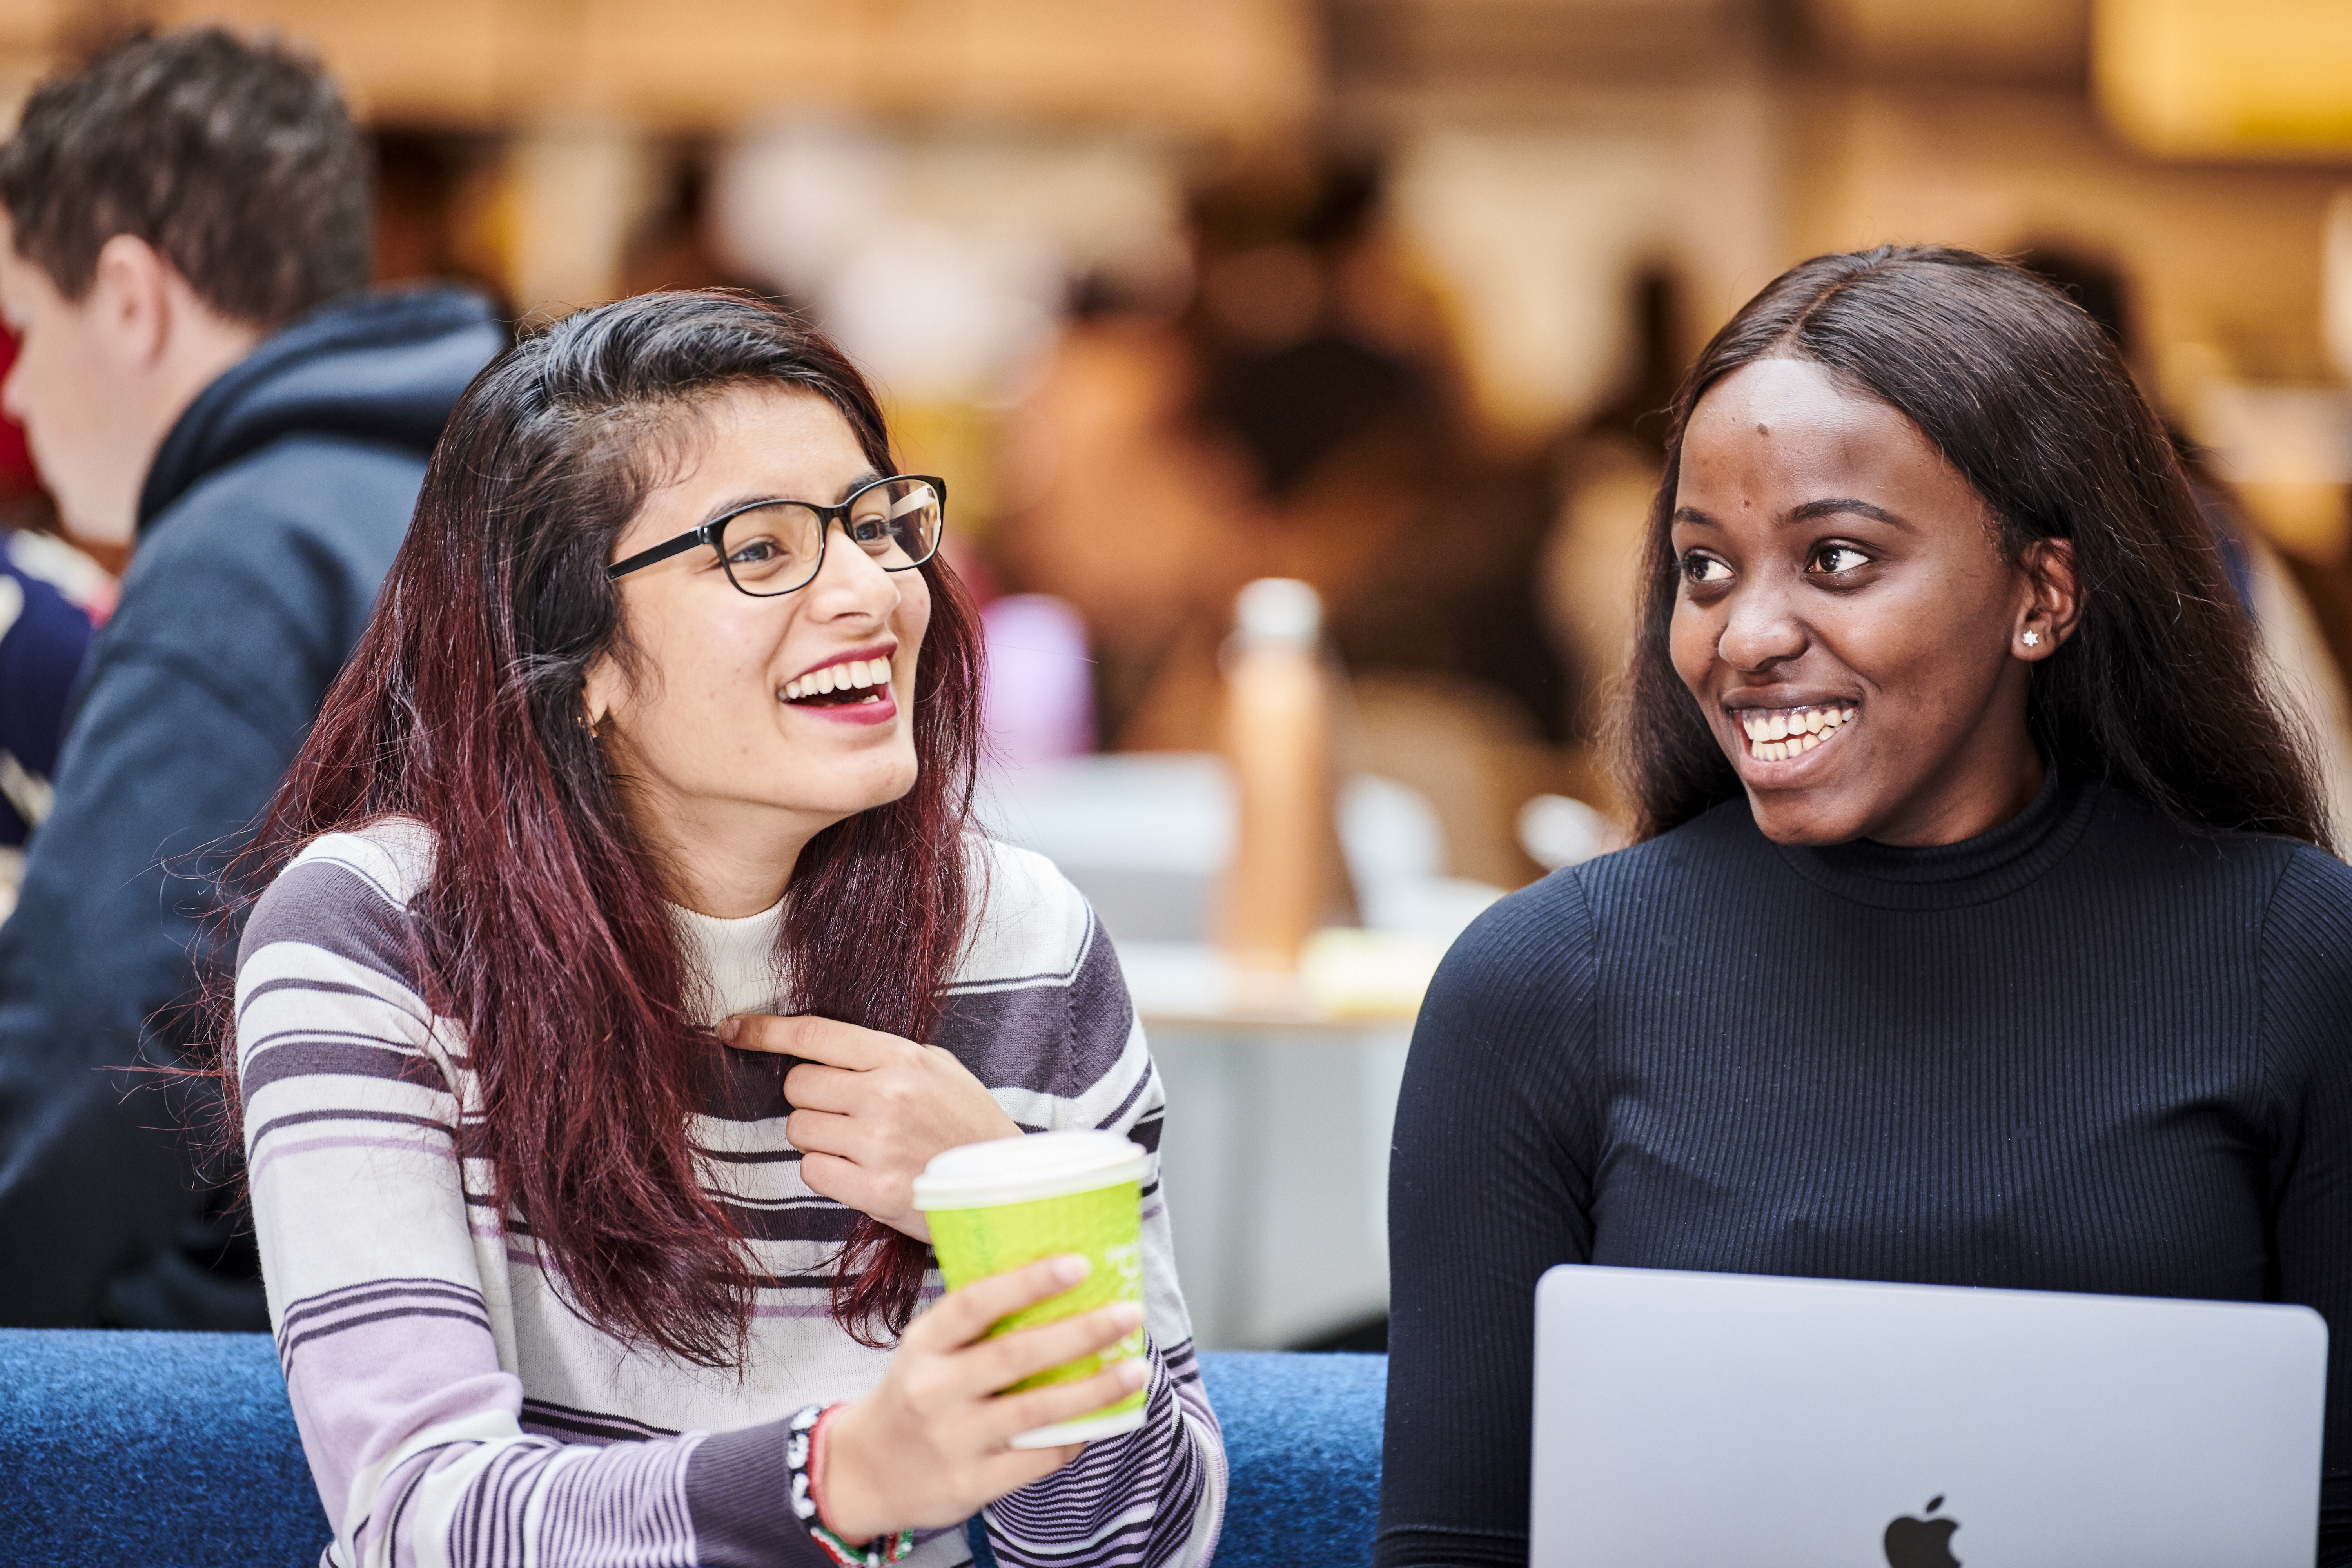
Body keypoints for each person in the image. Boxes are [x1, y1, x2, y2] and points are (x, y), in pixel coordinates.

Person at [1379, 245, 2352, 1566]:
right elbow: (1459, 1548)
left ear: (2044, 594)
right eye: (1705, 568)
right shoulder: (1540, 988)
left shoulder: (2294, 958)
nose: (1743, 635)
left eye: (1836, 559)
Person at [221, 290, 1223, 1568]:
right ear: (574, 649)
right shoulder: (376, 937)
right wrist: (840, 1478)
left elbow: (1146, 1550)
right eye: (760, 551)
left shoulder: (1021, 942)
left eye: (876, 524)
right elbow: (423, 1517)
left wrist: (1002, 1210)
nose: (868, 590)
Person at [0, 27, 505, 1328]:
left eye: (21, 331)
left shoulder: (240, 558)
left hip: (286, 1363)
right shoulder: (467, 503)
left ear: (127, 298)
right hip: (494, 1326)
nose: (25, 400)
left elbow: (100, 1030)